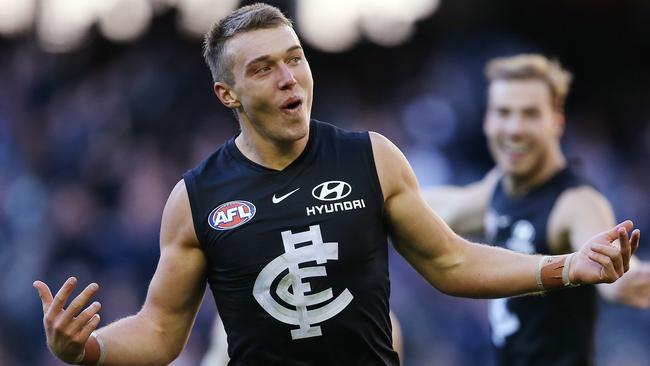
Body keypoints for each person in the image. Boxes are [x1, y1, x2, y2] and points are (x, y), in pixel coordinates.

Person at [33, 5, 640, 366]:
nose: (289, 78)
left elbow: (450, 262)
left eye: (295, 58)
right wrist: (87, 352)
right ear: (229, 95)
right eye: (263, 69)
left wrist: (565, 267)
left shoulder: (370, 158)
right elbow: (160, 330)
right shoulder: (196, 198)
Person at [423, 54, 650, 366]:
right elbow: (439, 208)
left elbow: (617, 272)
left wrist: (630, 276)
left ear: (556, 120)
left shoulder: (576, 202)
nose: (515, 128)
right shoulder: (497, 189)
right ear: (487, 121)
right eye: (504, 112)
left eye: (530, 114)